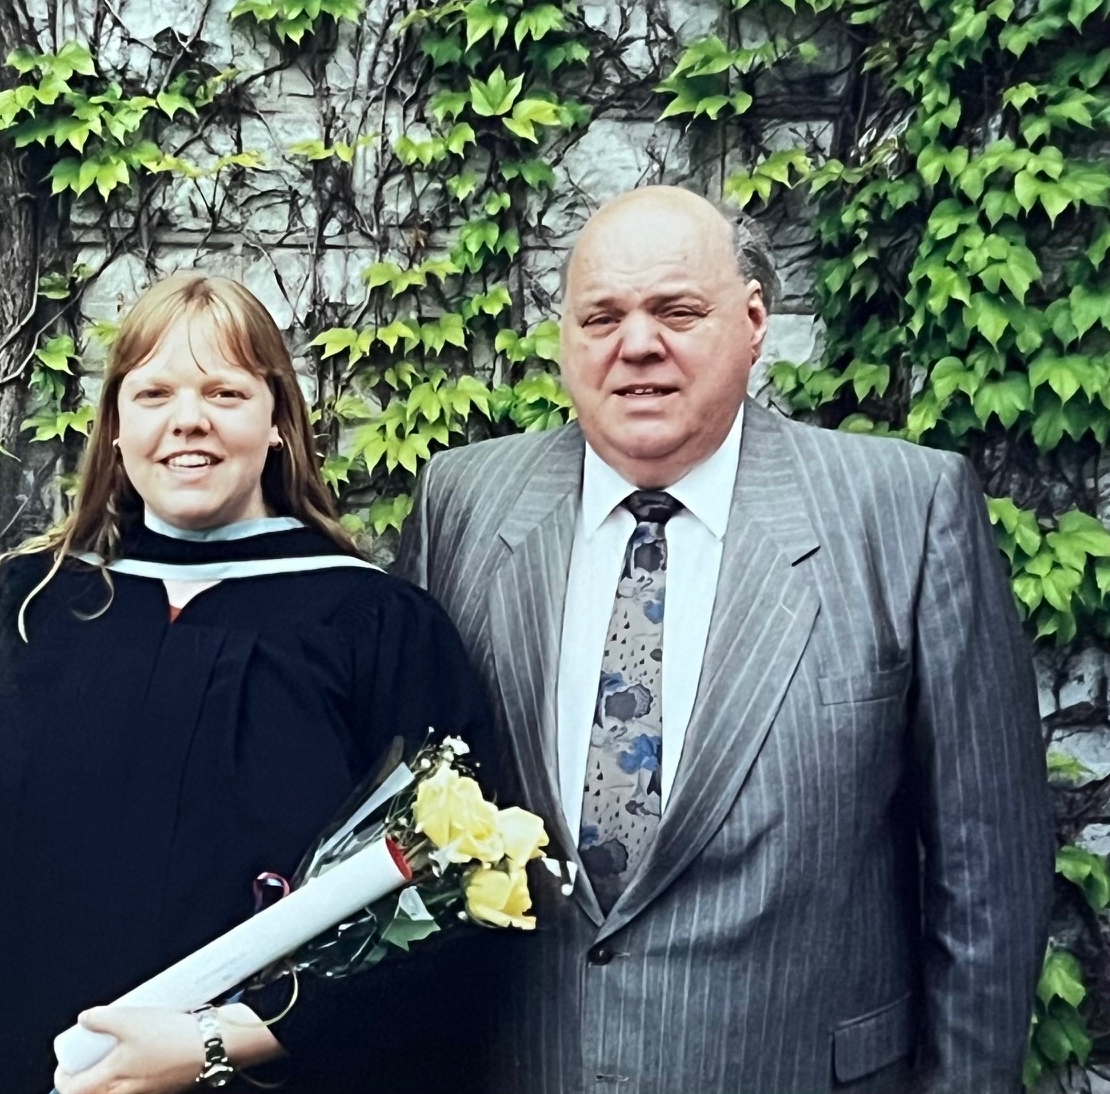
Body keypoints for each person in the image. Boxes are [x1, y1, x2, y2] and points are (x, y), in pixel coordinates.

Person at [398, 186, 1052, 1094]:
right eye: (602, 317)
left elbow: (988, 873)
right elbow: (407, 811)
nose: (637, 345)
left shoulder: (905, 509)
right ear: (564, 338)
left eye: (677, 311)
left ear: (753, 323)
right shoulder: (466, 501)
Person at [0, 272, 503, 1094]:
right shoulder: (34, 607)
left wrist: (231, 1040)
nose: (187, 419)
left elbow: (443, 904)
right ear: (117, 429)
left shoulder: (374, 626)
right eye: (154, 391)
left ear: (277, 423)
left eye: (225, 391)